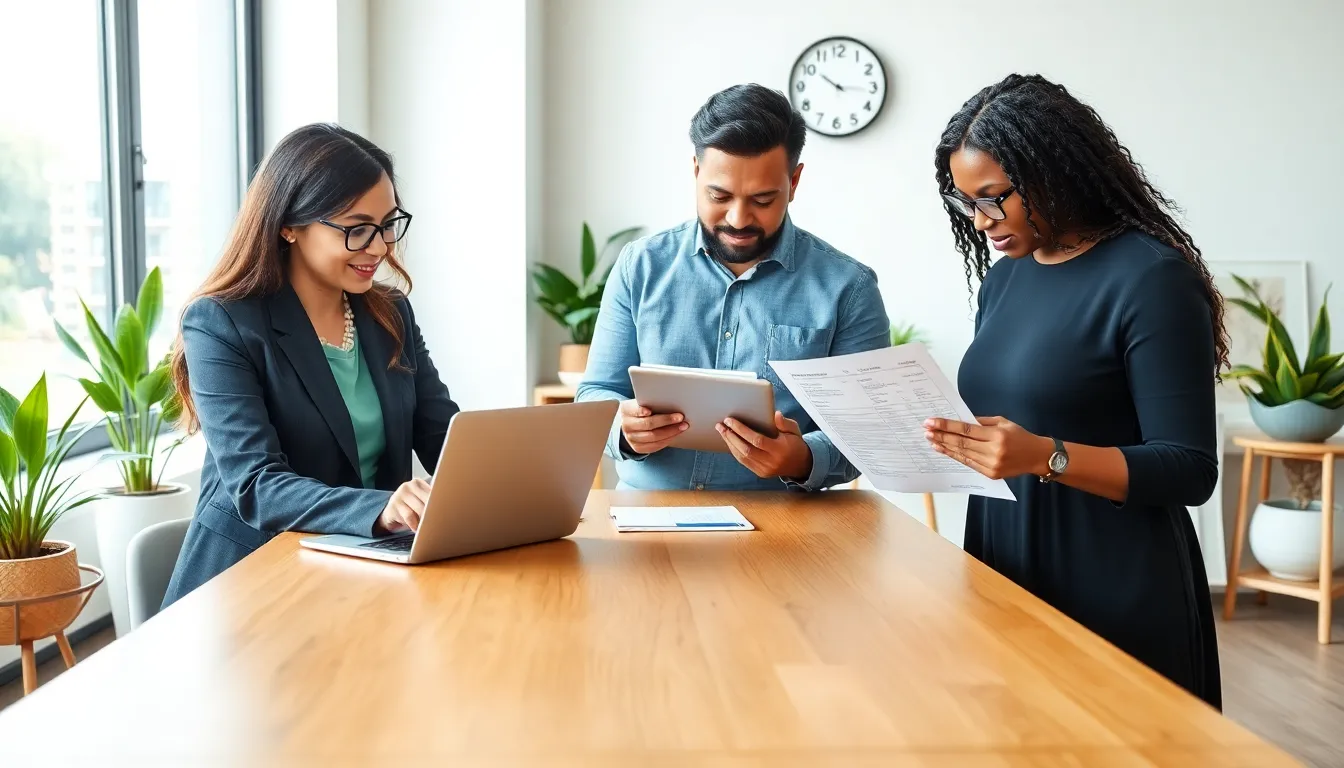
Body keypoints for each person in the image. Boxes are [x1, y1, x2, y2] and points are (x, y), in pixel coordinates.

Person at [923, 74, 1226, 708]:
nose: (980, 223)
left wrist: (1043, 456)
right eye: (965, 203)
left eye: (993, 199)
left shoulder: (1152, 279)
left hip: (1114, 582)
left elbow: (1189, 469)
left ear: (1053, 170)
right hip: (1006, 562)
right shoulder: (1004, 281)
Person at [161, 123, 460, 607]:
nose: (380, 247)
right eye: (357, 228)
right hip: (250, 585)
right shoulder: (221, 323)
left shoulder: (389, 314)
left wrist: (507, 483)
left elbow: (442, 435)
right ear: (289, 225)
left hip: (365, 576)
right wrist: (382, 508)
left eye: (387, 225)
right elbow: (257, 486)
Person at [576, 83, 890, 491]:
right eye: (719, 195)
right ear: (695, 172)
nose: (739, 219)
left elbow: (866, 435)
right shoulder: (640, 267)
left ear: (794, 182)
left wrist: (803, 458)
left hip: (786, 532)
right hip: (647, 520)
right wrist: (622, 427)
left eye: (762, 200)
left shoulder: (849, 287)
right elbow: (595, 393)